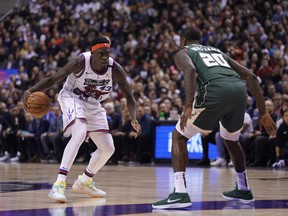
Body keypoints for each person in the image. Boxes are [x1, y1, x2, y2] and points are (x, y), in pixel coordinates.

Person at [152, 27, 276, 209]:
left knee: (178, 136)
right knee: (231, 140)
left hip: (215, 90)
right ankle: (243, 188)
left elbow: (190, 71)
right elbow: (250, 77)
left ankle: (179, 193)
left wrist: (188, 106)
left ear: (183, 41)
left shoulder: (183, 52)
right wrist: (263, 111)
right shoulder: (216, 51)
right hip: (239, 91)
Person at [23, 36, 141, 203]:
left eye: (108, 53)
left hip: (93, 104)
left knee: (108, 148)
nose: (105, 57)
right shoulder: (79, 62)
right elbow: (53, 79)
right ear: (92, 53)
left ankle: (84, 181)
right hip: (72, 98)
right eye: (101, 53)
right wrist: (30, 91)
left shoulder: (115, 69)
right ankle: (59, 184)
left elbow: (129, 96)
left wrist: (134, 119)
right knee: (79, 133)